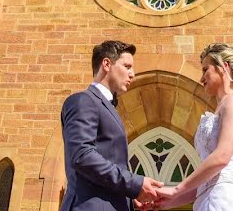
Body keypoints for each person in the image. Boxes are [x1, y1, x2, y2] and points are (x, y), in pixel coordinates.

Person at [60, 40, 164, 211]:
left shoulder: (106, 106)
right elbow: (82, 155)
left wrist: (129, 197)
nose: (132, 74)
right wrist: (135, 184)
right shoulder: (83, 100)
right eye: (127, 66)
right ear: (107, 64)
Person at [149, 43, 233, 211]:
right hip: (206, 200)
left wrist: (176, 188)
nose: (201, 77)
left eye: (206, 70)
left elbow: (222, 156)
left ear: (223, 67)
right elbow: (206, 181)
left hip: (224, 199)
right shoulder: (221, 108)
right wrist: (169, 202)